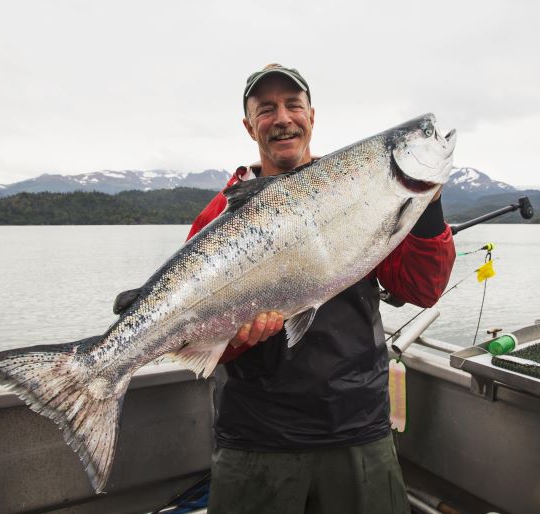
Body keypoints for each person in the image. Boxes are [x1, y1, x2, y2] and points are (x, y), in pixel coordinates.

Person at [186, 64, 456, 514]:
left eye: (293, 105)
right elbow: (196, 335)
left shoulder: (361, 190)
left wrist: (427, 202)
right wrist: (236, 339)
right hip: (257, 437)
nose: (283, 118)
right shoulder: (222, 212)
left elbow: (422, 287)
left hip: (357, 427)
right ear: (249, 125)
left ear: (312, 115)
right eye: (266, 108)